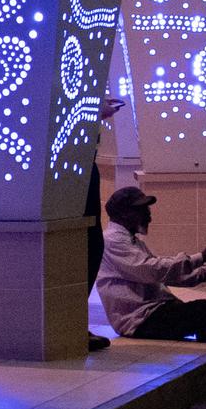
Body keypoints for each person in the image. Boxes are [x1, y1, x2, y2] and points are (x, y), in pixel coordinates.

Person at [96, 186, 206, 343]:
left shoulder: (130, 241)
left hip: (154, 313)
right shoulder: (113, 241)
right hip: (143, 320)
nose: (148, 216)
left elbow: (166, 276)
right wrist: (201, 257)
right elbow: (153, 270)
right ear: (124, 213)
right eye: (142, 209)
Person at [85, 96, 129, 351]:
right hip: (70, 166)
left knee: (92, 245)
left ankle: (75, 322)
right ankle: (73, 323)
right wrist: (92, 108)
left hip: (81, 163)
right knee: (89, 246)